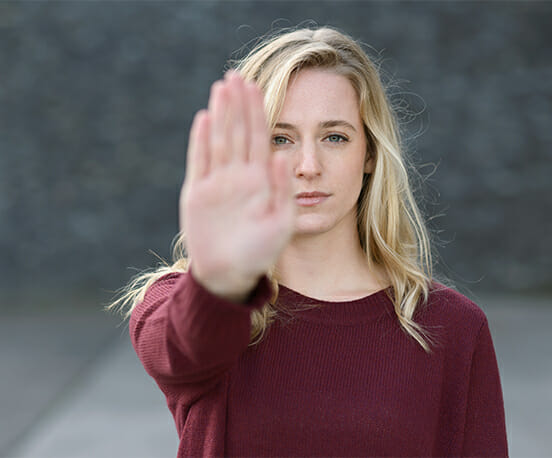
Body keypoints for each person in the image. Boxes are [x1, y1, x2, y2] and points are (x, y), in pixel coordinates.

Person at [111, 26, 508, 457]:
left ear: (370, 152)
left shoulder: (453, 327)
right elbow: (183, 345)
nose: (308, 165)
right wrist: (221, 276)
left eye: (334, 137)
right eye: (280, 139)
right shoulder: (185, 304)